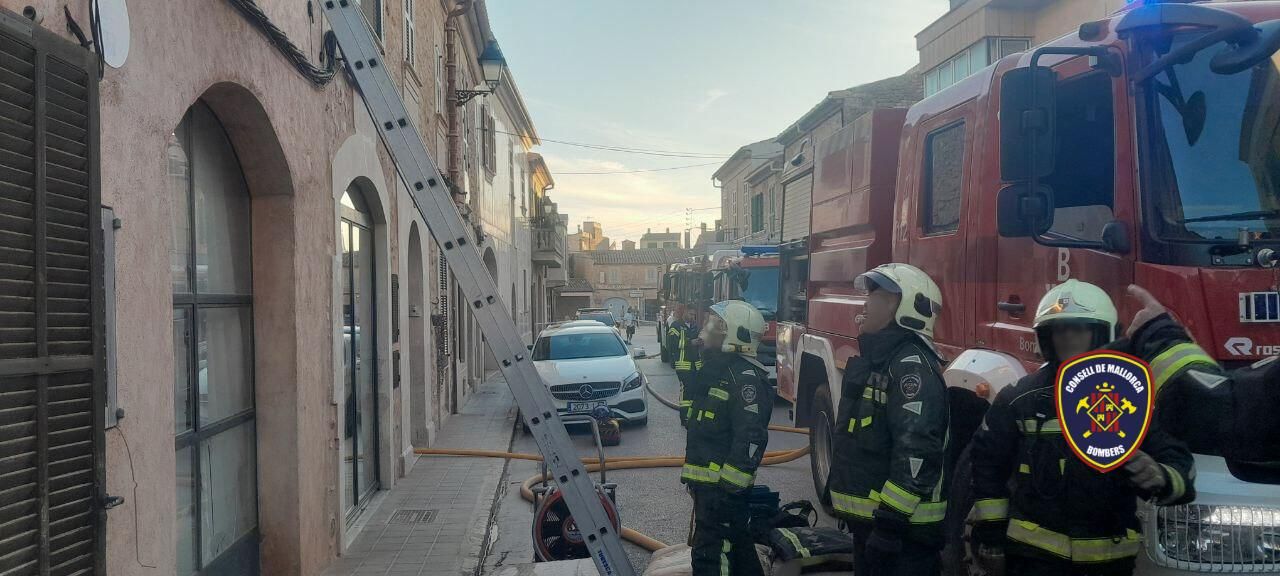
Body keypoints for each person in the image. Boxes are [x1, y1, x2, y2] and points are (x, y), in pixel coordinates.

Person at [968, 280, 1196, 576]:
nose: (1067, 337)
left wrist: (1162, 476)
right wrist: (991, 540)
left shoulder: (1131, 397)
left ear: (1101, 332)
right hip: (1035, 559)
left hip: (1109, 561)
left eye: (1078, 327)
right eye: (1059, 329)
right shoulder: (1020, 398)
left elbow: (1181, 464)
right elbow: (986, 467)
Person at [827, 263, 949, 576]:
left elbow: (916, 453)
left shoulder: (911, 370)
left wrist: (890, 524)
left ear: (905, 308)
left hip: (904, 538)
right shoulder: (883, 361)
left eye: (876, 296)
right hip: (876, 527)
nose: (865, 305)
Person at [681, 300, 773, 576]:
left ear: (734, 334)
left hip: (721, 494)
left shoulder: (745, 379)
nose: (707, 327)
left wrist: (729, 494)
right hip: (709, 492)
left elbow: (751, 439)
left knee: (711, 558)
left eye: (715, 323)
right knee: (738, 551)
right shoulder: (717, 372)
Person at [668, 308, 703, 426]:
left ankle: (693, 416)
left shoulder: (696, 327)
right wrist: (690, 342)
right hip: (683, 364)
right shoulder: (676, 326)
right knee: (686, 390)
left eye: (694, 314)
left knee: (695, 390)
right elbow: (672, 343)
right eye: (690, 314)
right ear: (684, 313)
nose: (693, 316)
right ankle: (685, 418)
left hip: (696, 365)